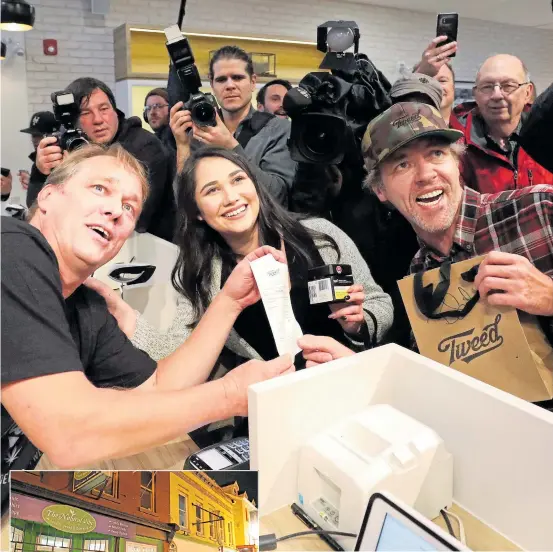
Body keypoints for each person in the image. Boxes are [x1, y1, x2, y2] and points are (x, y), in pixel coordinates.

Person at [1, 144, 294, 497]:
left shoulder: (86, 307)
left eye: (130, 207)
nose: (115, 211)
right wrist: (228, 395)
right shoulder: (12, 249)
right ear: (47, 195)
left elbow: (160, 389)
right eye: (99, 189)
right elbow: (70, 432)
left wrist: (230, 302)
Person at [300, 100, 553, 366]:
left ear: (457, 163)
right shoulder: (419, 274)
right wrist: (353, 364)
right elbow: (431, 381)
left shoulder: (539, 209)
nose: (425, 175)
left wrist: (549, 297)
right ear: (380, 190)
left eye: (436, 154)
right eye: (402, 165)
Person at [96, 147, 393, 369]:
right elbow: (181, 350)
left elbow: (379, 304)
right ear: (197, 211)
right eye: (212, 190)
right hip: (273, 407)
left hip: (344, 384)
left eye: (238, 180)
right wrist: (126, 318)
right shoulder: (203, 276)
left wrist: (356, 323)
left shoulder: (319, 238)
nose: (231, 197)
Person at [27, 77, 176, 241]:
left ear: (115, 110)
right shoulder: (71, 144)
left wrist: (75, 174)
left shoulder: (143, 146)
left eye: (104, 109)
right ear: (74, 120)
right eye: (86, 113)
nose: (98, 120)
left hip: (147, 247)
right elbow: (37, 209)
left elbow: (133, 217)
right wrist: (40, 172)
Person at [168, 46, 296, 206]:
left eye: (237, 77)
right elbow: (183, 198)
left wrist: (230, 147)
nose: (230, 85)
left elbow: (277, 194)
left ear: (253, 82)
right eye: (221, 79)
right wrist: (182, 145)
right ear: (212, 84)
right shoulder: (200, 131)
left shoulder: (277, 129)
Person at [450, 55, 553, 193]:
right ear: (475, 94)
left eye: (508, 86)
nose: (497, 95)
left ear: (527, 92)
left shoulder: (547, 133)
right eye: (487, 87)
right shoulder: (455, 145)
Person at [414, 36, 457, 123]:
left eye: (442, 81)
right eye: (426, 80)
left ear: (453, 87)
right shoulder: (399, 127)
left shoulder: (469, 127)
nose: (436, 85)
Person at [19, 111, 59, 193]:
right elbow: (31, 202)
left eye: (40, 135)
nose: (35, 140)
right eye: (33, 135)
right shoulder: (37, 161)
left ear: (55, 135)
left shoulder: (64, 159)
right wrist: (32, 181)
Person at [143, 87, 176, 153]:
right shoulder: (150, 143)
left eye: (158, 106)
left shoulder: (182, 138)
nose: (152, 112)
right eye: (148, 108)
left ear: (171, 109)